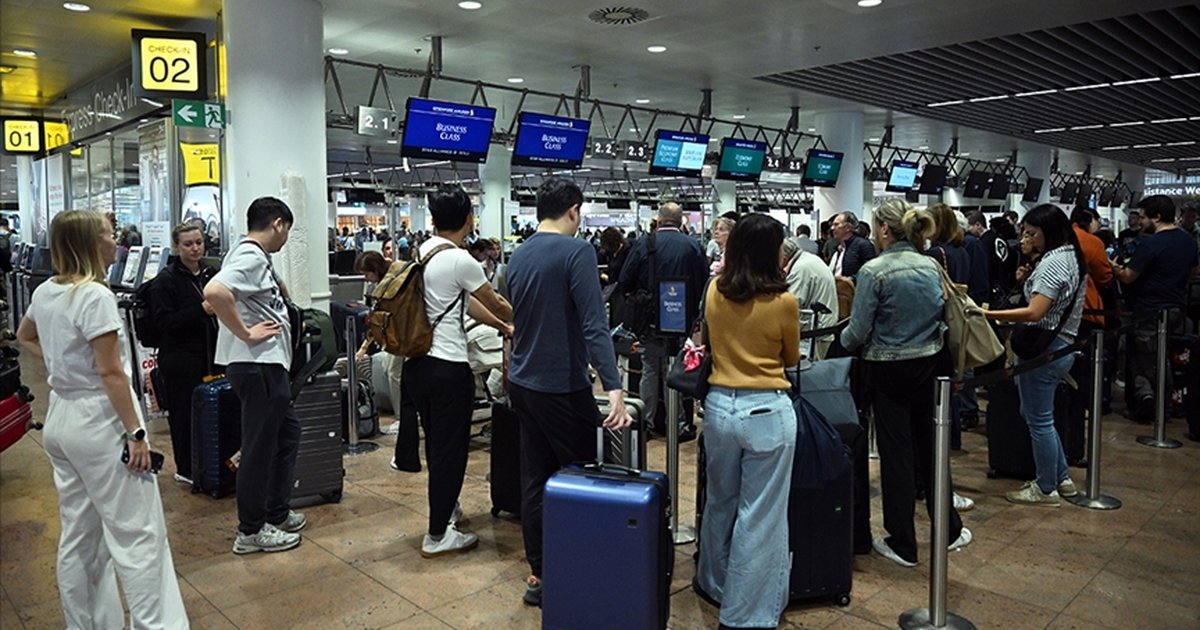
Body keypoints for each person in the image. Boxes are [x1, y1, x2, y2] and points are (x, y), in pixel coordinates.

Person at [16, 210, 188, 628]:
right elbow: (111, 373)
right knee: (139, 537)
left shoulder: (46, 292)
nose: (117, 242)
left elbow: (25, 336)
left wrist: (63, 368)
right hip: (99, 421)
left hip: (62, 417)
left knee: (80, 536)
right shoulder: (94, 296)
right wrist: (136, 433)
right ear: (92, 244)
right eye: (110, 235)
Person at [506, 177, 633, 607]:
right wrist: (613, 386)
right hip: (561, 385)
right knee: (584, 476)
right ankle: (585, 565)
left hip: (522, 382)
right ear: (574, 211)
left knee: (535, 479)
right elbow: (594, 325)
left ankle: (540, 574)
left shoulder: (517, 255)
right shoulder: (577, 252)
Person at [840, 199, 971, 565]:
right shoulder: (930, 265)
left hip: (888, 371)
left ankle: (903, 542)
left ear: (883, 229)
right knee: (932, 451)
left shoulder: (874, 271)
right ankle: (948, 530)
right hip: (930, 366)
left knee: (897, 456)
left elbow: (859, 329)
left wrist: (842, 341)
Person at [693, 213, 799, 629]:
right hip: (766, 411)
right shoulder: (783, 301)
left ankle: (714, 583)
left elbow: (711, 344)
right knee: (761, 515)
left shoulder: (714, 290)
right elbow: (790, 359)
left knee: (721, 501)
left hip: (719, 407)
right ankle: (746, 615)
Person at [406, 184, 512, 558]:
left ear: (433, 220)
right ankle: (437, 535)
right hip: (448, 368)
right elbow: (494, 301)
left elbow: (465, 306)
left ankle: (446, 507)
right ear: (469, 219)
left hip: (417, 366)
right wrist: (523, 320)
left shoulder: (423, 252)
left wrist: (505, 328)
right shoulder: (463, 261)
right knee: (450, 451)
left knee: (438, 447)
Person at [204, 196, 307, 554]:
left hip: (266, 365)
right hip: (257, 364)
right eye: (287, 231)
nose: (286, 239)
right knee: (259, 447)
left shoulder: (249, 256)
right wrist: (246, 333)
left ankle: (275, 511)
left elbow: (211, 302)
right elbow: (213, 293)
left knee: (287, 432)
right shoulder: (249, 255)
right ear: (278, 223)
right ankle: (250, 530)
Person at [983, 204, 1086, 507]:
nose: (1026, 238)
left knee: (1038, 420)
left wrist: (988, 313)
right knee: (1042, 417)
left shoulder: (1054, 262)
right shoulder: (1069, 255)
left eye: (1031, 233)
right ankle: (1061, 478)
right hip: (1060, 345)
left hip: (1044, 350)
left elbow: (1034, 312)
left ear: (1049, 231)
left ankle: (1044, 488)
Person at [620, 202, 709, 440]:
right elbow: (704, 284)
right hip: (683, 320)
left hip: (649, 320)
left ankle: (646, 423)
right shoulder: (693, 246)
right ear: (681, 222)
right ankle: (678, 424)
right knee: (677, 368)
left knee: (650, 370)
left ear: (659, 220)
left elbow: (625, 281)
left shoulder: (645, 243)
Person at [1114, 195, 1200, 422]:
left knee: (1151, 361)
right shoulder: (1188, 242)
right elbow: (1194, 272)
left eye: (1142, 217)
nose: (1139, 222)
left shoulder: (1150, 244)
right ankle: (1149, 399)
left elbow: (1129, 277)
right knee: (1155, 357)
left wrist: (1114, 268)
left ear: (1157, 217)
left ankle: (1160, 406)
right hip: (1176, 309)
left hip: (1149, 310)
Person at [151, 223, 218, 484]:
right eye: (188, 244)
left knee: (208, 413)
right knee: (183, 415)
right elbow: (164, 323)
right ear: (177, 246)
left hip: (208, 354)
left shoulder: (210, 273)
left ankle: (208, 463)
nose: (195, 248)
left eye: (198, 242)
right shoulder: (166, 282)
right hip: (179, 358)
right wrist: (201, 310)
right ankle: (186, 468)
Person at [354, 251, 422, 473]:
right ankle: (402, 418)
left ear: (375, 270)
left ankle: (402, 418)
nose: (366, 278)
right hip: (406, 334)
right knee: (392, 371)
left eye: (366, 273)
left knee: (394, 372)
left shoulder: (389, 284)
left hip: (403, 336)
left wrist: (364, 348)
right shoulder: (395, 277)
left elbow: (378, 317)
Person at [1066, 207, 1113, 464]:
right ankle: (1075, 449)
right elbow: (1105, 276)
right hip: (1085, 317)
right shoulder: (1092, 242)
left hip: (1053, 319)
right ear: (1088, 221)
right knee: (1080, 388)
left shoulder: (1057, 239)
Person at [780, 236, 838, 360]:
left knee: (810, 374)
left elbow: (789, 305)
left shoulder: (800, 269)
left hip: (816, 334)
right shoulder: (807, 259)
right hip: (822, 329)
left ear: (783, 257)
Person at [827, 211, 875, 280]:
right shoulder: (839, 248)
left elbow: (871, 271)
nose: (832, 228)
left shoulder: (863, 245)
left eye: (836, 225)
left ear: (848, 227)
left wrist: (851, 279)